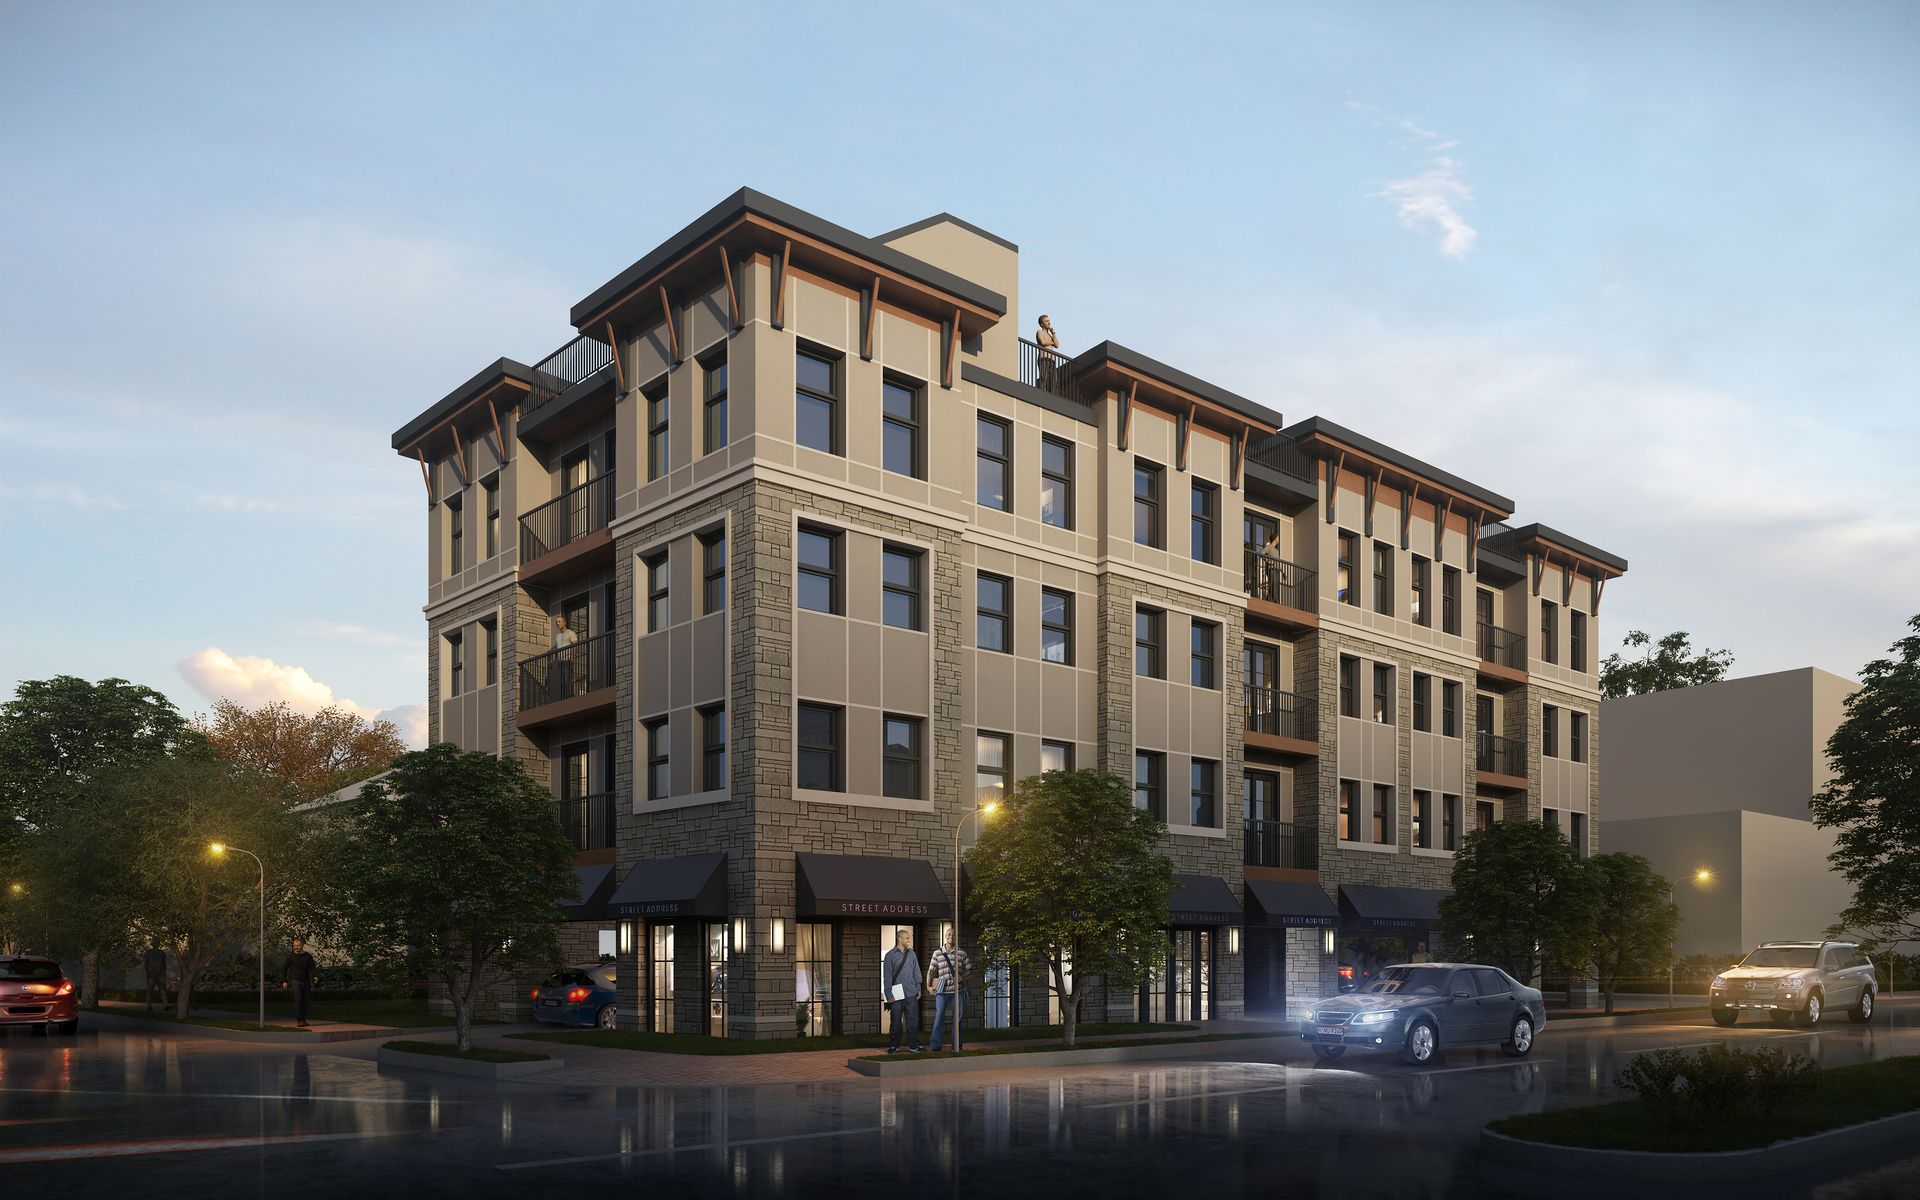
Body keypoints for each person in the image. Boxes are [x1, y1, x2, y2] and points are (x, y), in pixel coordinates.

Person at [926, 928, 974, 1053]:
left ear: (956, 936)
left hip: (958, 992)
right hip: (941, 992)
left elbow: (970, 970)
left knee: (956, 1020)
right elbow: (931, 971)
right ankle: (935, 1046)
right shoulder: (937, 953)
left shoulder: (962, 953)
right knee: (939, 1018)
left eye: (953, 934)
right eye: (948, 934)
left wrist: (961, 977)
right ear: (945, 936)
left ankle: (956, 1045)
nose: (951, 936)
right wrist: (929, 986)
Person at [881, 928, 924, 1054]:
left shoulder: (912, 954)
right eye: (907, 938)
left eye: (909, 938)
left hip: (911, 993)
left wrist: (918, 988)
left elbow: (916, 972)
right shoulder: (890, 956)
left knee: (913, 1020)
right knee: (896, 1022)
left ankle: (914, 1045)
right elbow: (887, 977)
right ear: (899, 939)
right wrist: (889, 994)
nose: (909, 940)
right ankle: (894, 1045)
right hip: (896, 995)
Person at [283, 937, 317, 1027]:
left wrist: (314, 976)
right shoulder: (290, 956)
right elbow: (284, 968)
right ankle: (299, 1020)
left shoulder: (308, 956)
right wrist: (284, 980)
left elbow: (312, 967)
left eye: (297, 945)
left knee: (305, 1001)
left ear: (302, 945)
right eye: (294, 945)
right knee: (298, 1000)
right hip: (295, 980)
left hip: (305, 980)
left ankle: (303, 1019)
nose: (296, 947)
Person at [548, 614, 579, 700]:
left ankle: (569, 697)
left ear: (564, 623)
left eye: (559, 622)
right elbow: (558, 648)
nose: (558, 624)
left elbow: (575, 645)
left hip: (567, 660)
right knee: (560, 679)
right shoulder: (557, 636)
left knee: (567, 679)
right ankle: (562, 697)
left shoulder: (570, 633)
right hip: (560, 660)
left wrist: (572, 657)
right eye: (556, 622)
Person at [1034, 314, 1062, 391]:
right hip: (1044, 358)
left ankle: (1054, 396)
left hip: (1052, 360)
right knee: (1044, 378)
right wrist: (1052, 342)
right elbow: (1042, 342)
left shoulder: (1050, 335)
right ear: (1042, 324)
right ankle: (1042, 393)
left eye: (1049, 321)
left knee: (1054, 381)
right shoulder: (1039, 332)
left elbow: (1057, 345)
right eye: (1046, 321)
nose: (1049, 322)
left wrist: (1053, 333)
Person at [143, 945, 168, 1012]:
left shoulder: (161, 952)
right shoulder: (148, 952)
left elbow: (164, 963)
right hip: (151, 974)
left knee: (163, 990)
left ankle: (166, 1005)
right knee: (150, 991)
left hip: (160, 975)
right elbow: (145, 963)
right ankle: (148, 1006)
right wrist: (146, 972)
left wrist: (164, 972)